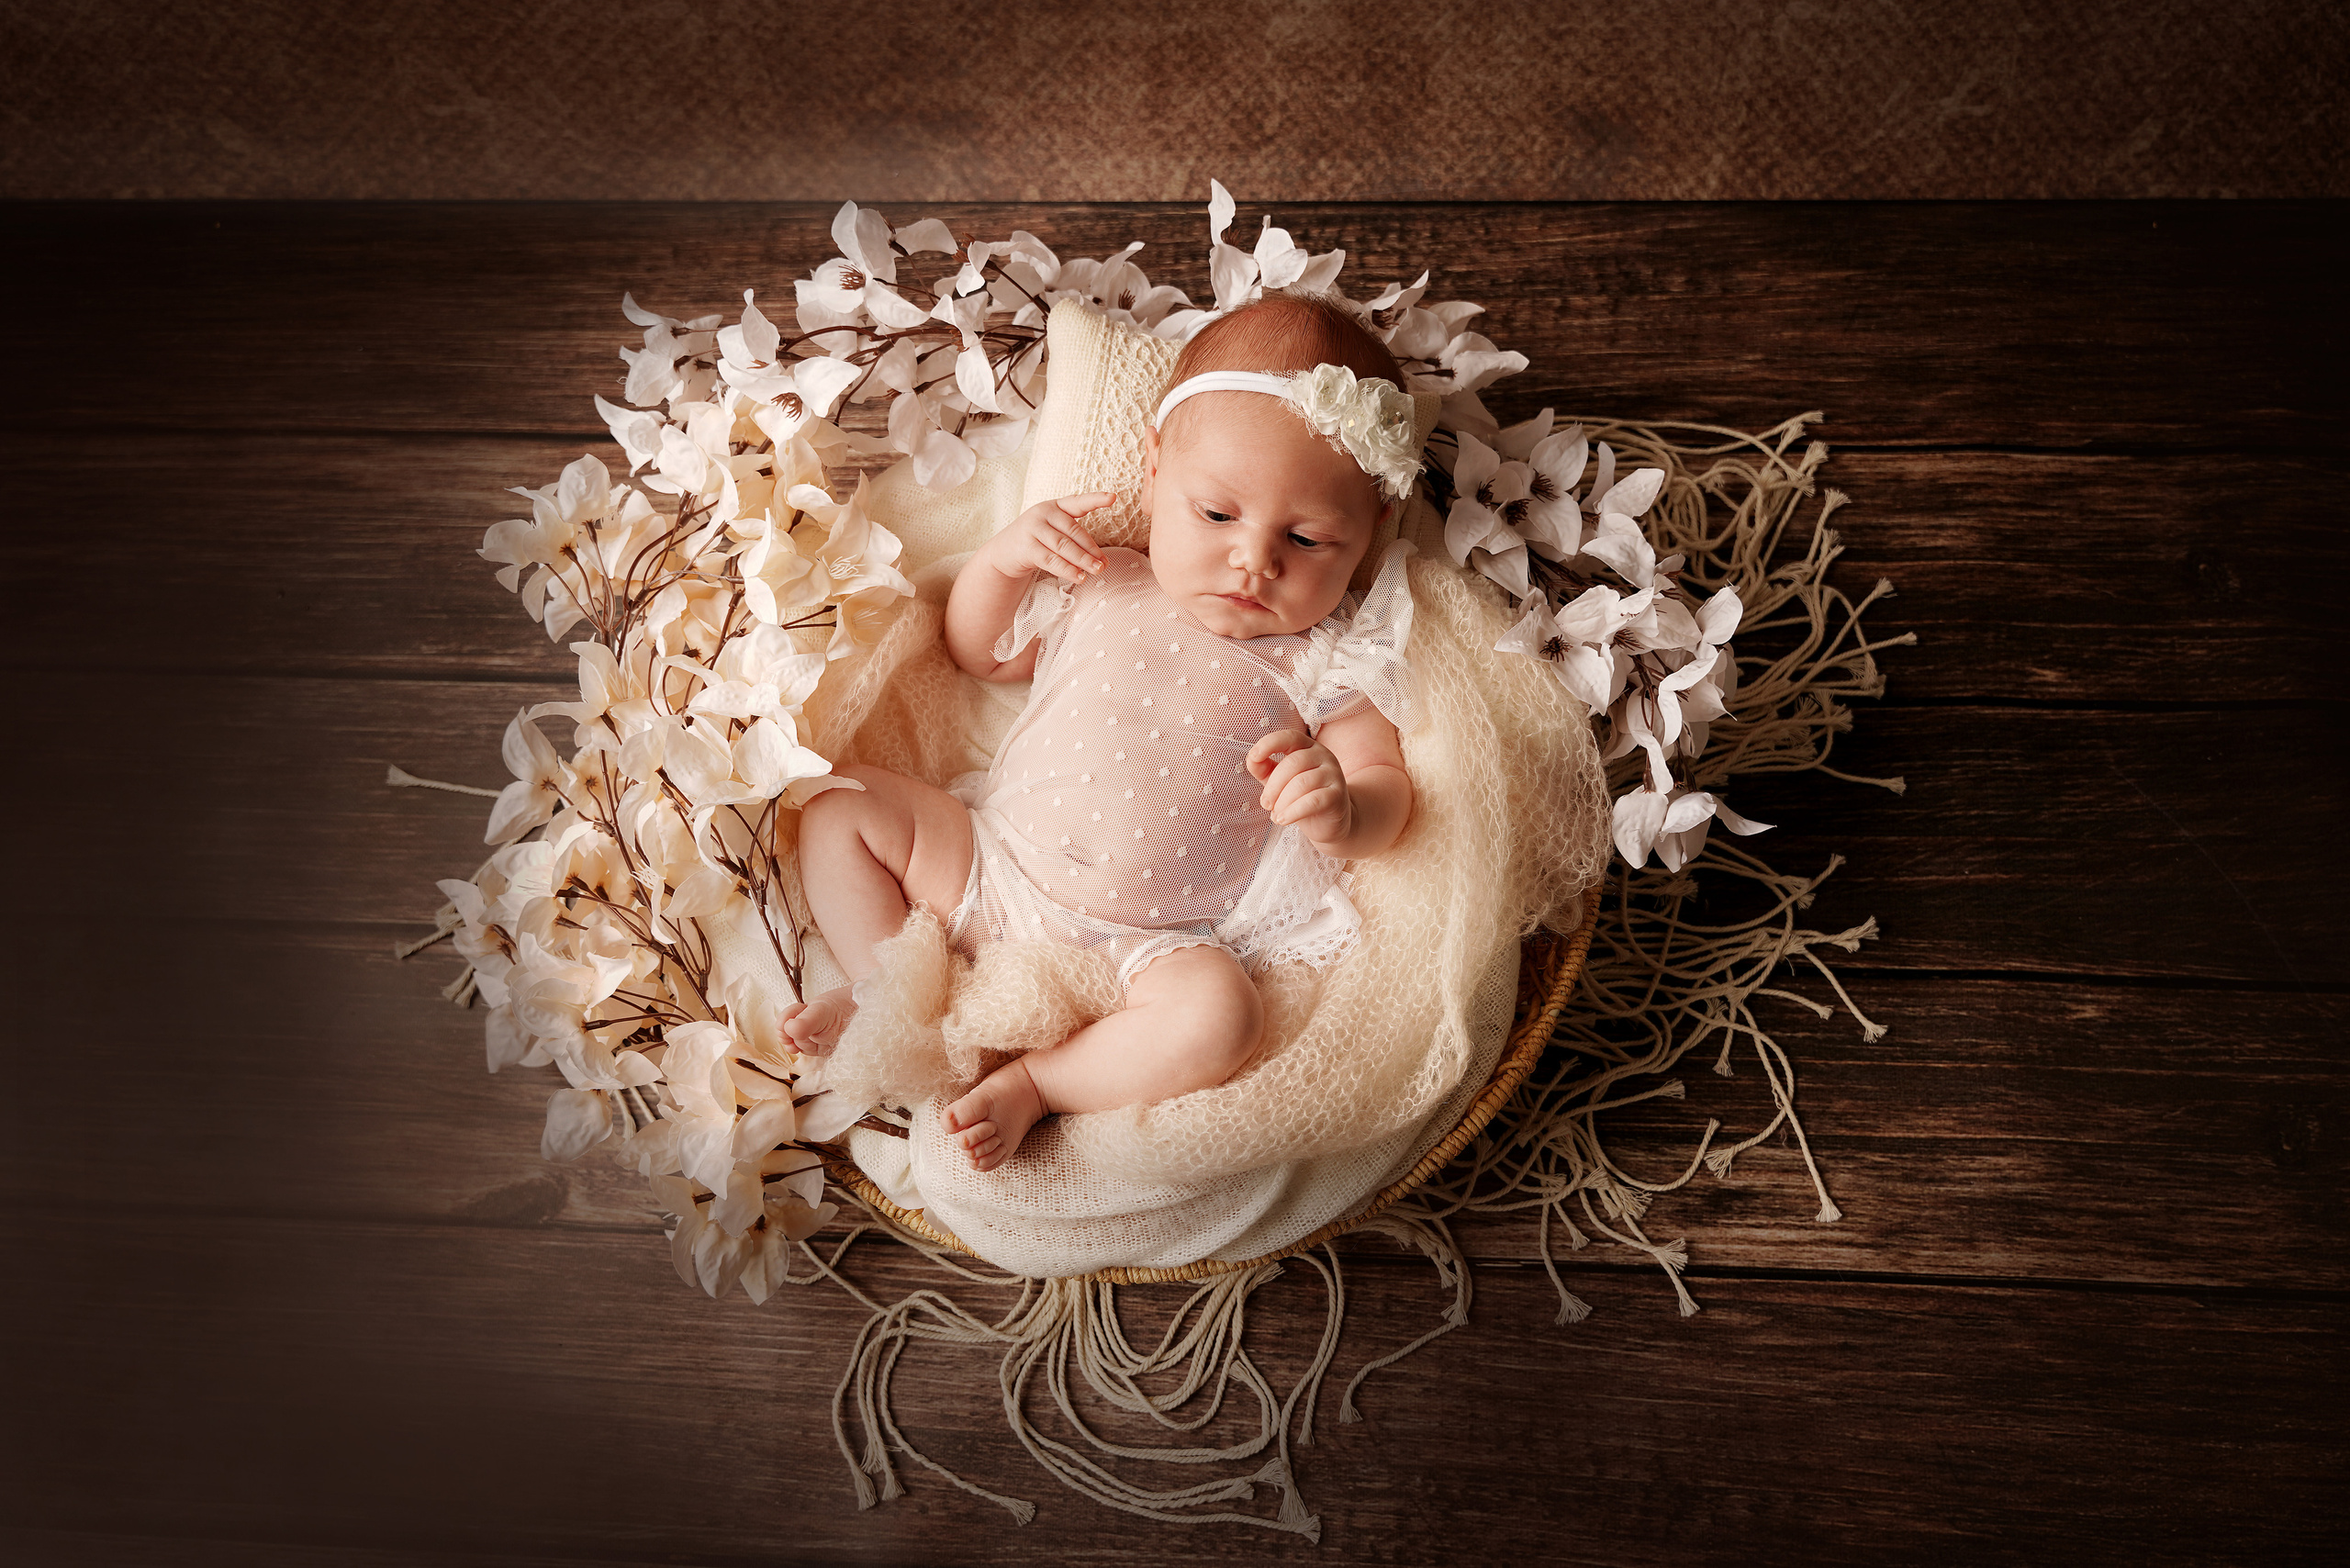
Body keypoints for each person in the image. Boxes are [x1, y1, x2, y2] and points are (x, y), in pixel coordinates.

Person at [784, 292, 1424, 1170]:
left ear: (1373, 530)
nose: (1255, 560)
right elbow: (979, 656)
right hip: (993, 867)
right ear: (1156, 467)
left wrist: (1345, 808)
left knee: (1223, 1016)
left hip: (1156, 943)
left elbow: (1387, 786)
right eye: (1217, 515)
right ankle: (881, 989)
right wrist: (1003, 562)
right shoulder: (1104, 577)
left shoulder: (1327, 658)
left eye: (1309, 539)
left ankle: (1041, 1084)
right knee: (839, 807)